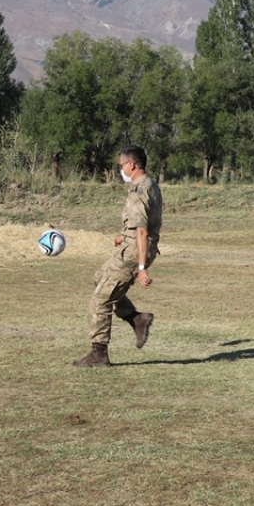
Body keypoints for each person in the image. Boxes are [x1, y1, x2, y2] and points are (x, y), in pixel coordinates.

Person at [73, 145, 163, 368]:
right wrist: (124, 235)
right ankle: (136, 319)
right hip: (132, 246)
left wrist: (141, 267)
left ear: (131, 164)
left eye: (121, 165)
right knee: (100, 277)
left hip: (135, 252)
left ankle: (99, 354)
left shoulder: (139, 191)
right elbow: (142, 224)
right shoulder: (149, 184)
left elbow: (142, 231)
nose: (120, 170)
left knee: (100, 299)